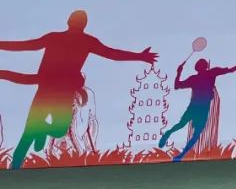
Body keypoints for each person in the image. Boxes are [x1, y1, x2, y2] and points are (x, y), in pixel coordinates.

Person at [0, 9, 157, 169]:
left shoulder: (59, 38)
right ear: (84, 25)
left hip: (53, 89)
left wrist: (139, 56)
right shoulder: (83, 40)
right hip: (57, 90)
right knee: (55, 129)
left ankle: (37, 135)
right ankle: (21, 156)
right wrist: (139, 56)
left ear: (68, 21)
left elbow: (25, 45)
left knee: (47, 129)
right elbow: (113, 54)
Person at [160, 57, 236, 161]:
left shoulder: (197, 77)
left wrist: (178, 73)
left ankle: (176, 145)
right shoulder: (209, 73)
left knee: (184, 126)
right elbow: (230, 70)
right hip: (200, 107)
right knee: (194, 132)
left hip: (196, 107)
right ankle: (180, 153)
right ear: (205, 66)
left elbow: (177, 85)